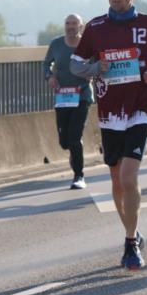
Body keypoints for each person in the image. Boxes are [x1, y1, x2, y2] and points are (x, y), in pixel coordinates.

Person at [71, 0, 147, 270]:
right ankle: (133, 232)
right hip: (109, 113)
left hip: (141, 109)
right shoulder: (95, 27)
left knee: (129, 176)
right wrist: (95, 67)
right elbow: (75, 64)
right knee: (117, 180)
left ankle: (130, 243)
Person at [43, 14, 92, 189]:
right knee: (64, 141)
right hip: (63, 97)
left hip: (82, 95)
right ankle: (72, 152)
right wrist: (49, 77)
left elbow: (97, 64)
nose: (70, 27)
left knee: (75, 137)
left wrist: (91, 73)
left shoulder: (88, 44)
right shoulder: (56, 44)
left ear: (81, 26)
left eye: (74, 24)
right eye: (67, 23)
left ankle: (79, 176)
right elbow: (46, 64)